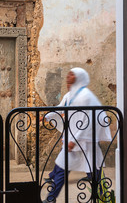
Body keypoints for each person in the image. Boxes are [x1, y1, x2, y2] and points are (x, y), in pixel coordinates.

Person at [42, 67, 112, 203]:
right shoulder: (70, 95)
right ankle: (50, 199)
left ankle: (104, 197)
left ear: (79, 78)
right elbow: (61, 108)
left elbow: (90, 119)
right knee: (62, 169)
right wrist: (47, 116)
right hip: (72, 139)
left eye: (71, 75)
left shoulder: (86, 96)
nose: (68, 78)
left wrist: (76, 139)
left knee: (93, 172)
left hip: (85, 142)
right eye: (68, 75)